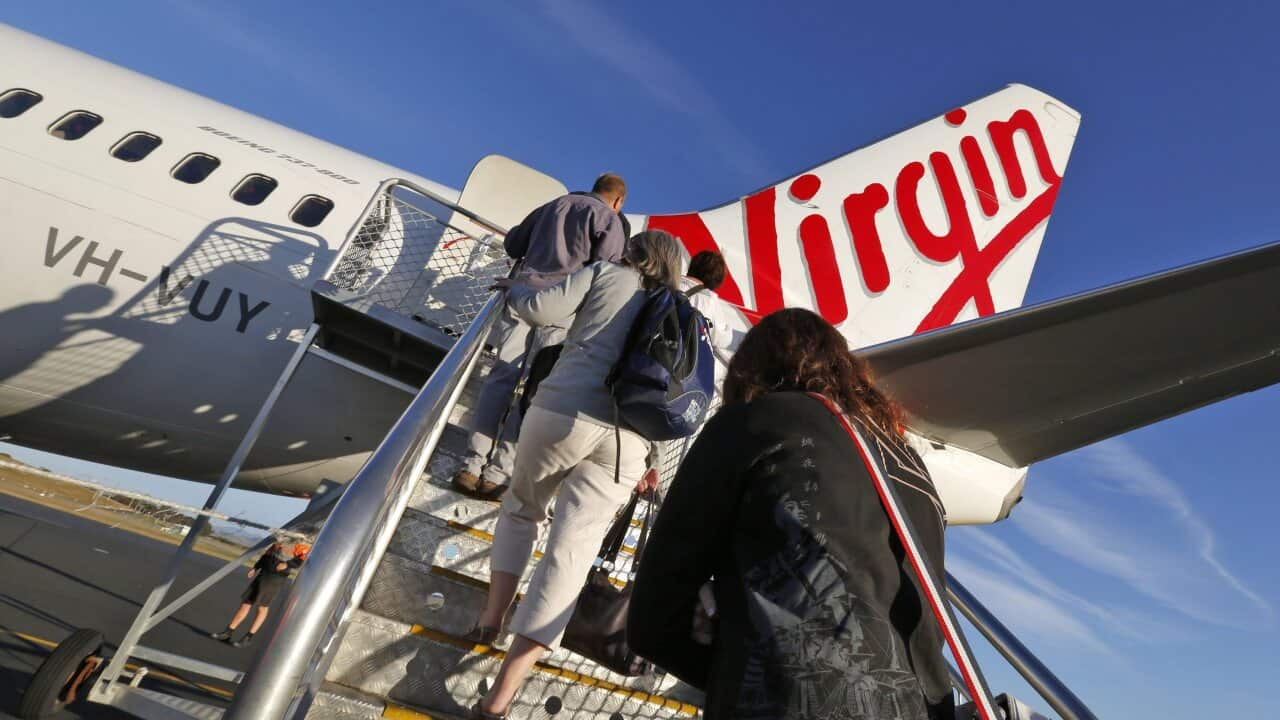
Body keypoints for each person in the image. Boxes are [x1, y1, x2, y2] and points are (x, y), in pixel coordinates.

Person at [627, 308, 954, 719]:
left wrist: (744, 663)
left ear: (752, 372)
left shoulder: (757, 422)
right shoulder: (916, 473)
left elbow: (653, 620)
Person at [467, 230, 685, 720]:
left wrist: (515, 290)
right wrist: (651, 461)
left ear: (635, 255)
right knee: (570, 555)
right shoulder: (680, 310)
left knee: (523, 510)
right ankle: (500, 698)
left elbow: (540, 311)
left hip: (563, 413)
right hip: (629, 442)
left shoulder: (606, 274)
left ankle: (491, 616)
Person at [452, 173, 629, 501]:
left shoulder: (555, 205)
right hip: (561, 309)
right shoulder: (608, 220)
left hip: (521, 295)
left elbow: (513, 243)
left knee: (501, 378)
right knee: (534, 389)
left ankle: (471, 465)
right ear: (618, 201)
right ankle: (498, 473)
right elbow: (607, 273)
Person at [210, 542, 310, 648]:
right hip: (263, 574)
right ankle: (227, 632)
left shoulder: (302, 544)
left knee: (262, 607)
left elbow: (304, 559)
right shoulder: (283, 539)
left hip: (275, 579)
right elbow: (267, 554)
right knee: (246, 603)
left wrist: (288, 564)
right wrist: (256, 567)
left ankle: (248, 637)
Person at [679, 250, 736, 390]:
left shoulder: (669, 281)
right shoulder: (709, 302)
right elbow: (722, 338)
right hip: (680, 370)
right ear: (717, 280)